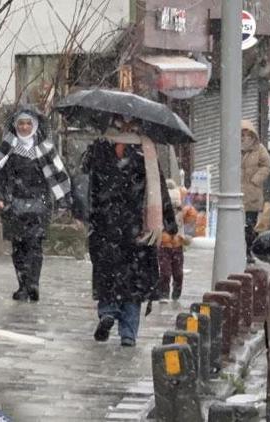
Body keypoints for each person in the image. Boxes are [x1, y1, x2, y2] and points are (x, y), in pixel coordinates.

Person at [82, 115, 177, 347]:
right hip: (122, 226)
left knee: (120, 278)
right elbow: (87, 180)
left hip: (123, 226)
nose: (124, 128)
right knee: (123, 280)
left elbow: (157, 188)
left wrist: (168, 219)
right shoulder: (115, 147)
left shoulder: (136, 149)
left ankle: (117, 322)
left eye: (128, 125)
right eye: (120, 124)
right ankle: (119, 324)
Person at [0, 106, 72, 302]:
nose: (24, 127)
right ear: (15, 125)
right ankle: (22, 285)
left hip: (40, 203)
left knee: (35, 246)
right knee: (19, 247)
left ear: (35, 125)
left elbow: (57, 175)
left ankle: (33, 284)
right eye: (21, 123)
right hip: (13, 204)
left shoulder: (46, 148)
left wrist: (62, 200)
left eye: (28, 123)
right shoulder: (6, 147)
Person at [240, 120, 270, 264]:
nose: (244, 137)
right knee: (236, 225)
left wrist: (255, 179)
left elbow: (267, 165)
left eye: (247, 134)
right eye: (242, 134)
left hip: (252, 194)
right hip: (237, 194)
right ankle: (239, 250)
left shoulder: (259, 149)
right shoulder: (234, 147)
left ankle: (248, 251)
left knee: (250, 226)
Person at [158, 179, 194, 302]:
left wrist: (187, 209)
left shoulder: (182, 212)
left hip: (177, 245)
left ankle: (176, 292)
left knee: (178, 273)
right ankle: (164, 293)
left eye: (176, 207)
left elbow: (191, 218)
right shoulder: (160, 214)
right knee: (165, 272)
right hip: (164, 246)